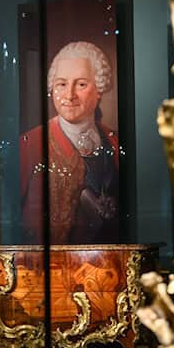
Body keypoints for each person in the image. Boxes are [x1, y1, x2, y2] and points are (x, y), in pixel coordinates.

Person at [20, 41, 120, 244]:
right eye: (62, 84)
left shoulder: (113, 140)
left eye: (81, 84)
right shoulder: (30, 144)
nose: (69, 95)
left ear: (99, 89)